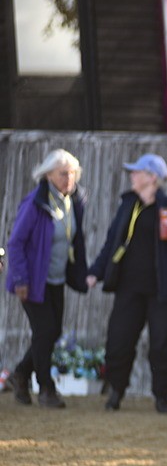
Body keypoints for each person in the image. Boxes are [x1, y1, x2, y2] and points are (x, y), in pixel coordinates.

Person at [87, 154, 167, 413]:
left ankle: (161, 397)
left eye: (137, 172)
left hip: (164, 291)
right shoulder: (128, 206)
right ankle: (115, 391)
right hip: (129, 289)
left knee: (163, 345)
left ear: (152, 177)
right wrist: (96, 272)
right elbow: (111, 244)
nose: (132, 175)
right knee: (119, 340)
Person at [5, 149, 89, 408]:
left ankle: (20, 374)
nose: (69, 178)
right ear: (48, 174)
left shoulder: (72, 201)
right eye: (63, 173)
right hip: (31, 282)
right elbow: (16, 243)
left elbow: (74, 239)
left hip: (56, 280)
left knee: (51, 333)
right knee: (45, 331)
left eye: (73, 173)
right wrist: (20, 279)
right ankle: (46, 389)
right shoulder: (35, 204)